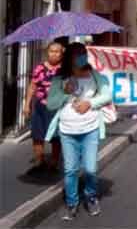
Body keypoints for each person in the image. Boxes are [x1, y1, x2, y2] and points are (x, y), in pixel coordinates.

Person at [46, 43, 112, 221]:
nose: (80, 57)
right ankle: (72, 203)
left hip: (90, 129)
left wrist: (89, 103)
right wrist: (65, 94)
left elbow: (107, 96)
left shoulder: (96, 76)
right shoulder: (59, 79)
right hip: (67, 131)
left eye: (83, 53)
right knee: (70, 170)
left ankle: (91, 197)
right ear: (69, 58)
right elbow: (51, 104)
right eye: (76, 54)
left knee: (90, 169)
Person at [23, 42, 64, 173]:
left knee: (56, 137)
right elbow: (32, 86)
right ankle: (39, 161)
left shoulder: (65, 70)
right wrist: (27, 104)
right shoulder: (40, 68)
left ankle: (54, 163)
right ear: (47, 52)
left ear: (61, 54)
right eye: (52, 51)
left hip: (57, 108)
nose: (54, 54)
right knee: (37, 135)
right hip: (41, 107)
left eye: (57, 51)